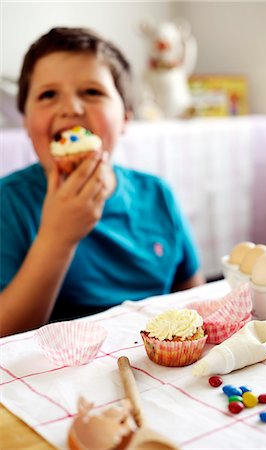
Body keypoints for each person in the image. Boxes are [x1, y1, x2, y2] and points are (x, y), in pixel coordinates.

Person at [0, 27, 205, 337]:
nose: (71, 108)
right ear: (26, 123)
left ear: (125, 117)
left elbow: (192, 299)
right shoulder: (8, 203)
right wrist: (57, 238)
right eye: (47, 94)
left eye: (92, 92)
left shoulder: (157, 195)